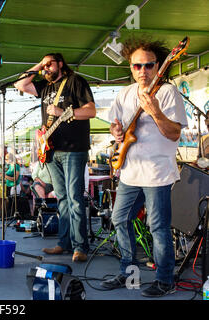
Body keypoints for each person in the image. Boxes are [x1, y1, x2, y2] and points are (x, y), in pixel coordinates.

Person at [100, 37, 188, 297]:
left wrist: (156, 111)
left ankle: (165, 280)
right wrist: (116, 131)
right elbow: (116, 125)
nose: (142, 71)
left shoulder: (167, 92)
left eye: (148, 65)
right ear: (130, 67)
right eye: (137, 66)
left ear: (158, 65)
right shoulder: (124, 93)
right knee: (119, 218)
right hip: (130, 170)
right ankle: (128, 272)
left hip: (157, 172)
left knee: (158, 227)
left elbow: (173, 134)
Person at [14, 52, 96, 262]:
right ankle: (64, 243)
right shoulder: (44, 86)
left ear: (61, 63)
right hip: (52, 150)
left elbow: (91, 111)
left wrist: (64, 112)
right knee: (62, 199)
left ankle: (80, 247)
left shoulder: (75, 81)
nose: (46, 68)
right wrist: (39, 64)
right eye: (44, 66)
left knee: (75, 199)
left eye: (50, 64)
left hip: (73, 149)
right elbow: (21, 84)